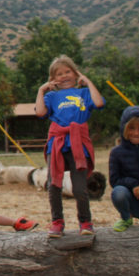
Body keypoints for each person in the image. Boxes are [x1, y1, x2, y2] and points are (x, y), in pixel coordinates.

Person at [35, 54, 104, 238]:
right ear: (53, 79)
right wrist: (41, 91)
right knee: (54, 184)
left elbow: (98, 103)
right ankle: (57, 222)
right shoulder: (52, 96)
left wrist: (87, 82)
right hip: (57, 142)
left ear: (76, 73)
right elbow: (40, 112)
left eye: (68, 71)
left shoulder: (84, 93)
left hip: (78, 142)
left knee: (79, 187)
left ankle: (85, 222)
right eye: (59, 74)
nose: (64, 76)